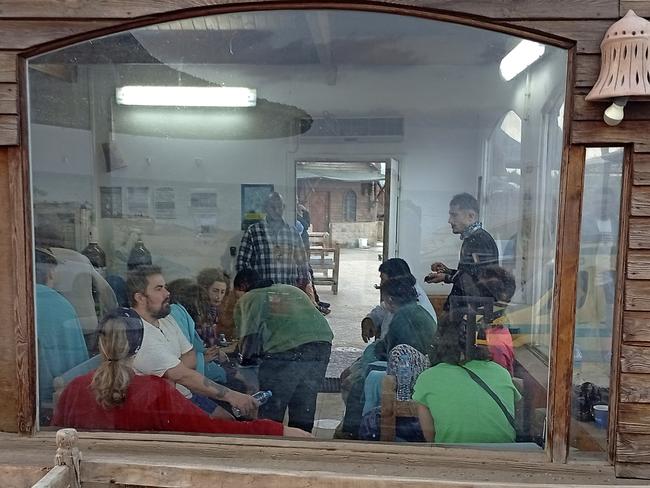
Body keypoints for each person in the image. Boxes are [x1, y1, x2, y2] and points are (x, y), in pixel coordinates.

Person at [52, 308, 311, 438]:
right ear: (140, 346)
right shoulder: (155, 392)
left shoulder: (74, 390)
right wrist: (278, 431)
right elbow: (212, 431)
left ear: (100, 344)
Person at [127, 265, 258, 418]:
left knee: (229, 420)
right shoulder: (138, 334)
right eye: (159, 288)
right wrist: (232, 396)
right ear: (140, 297)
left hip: (188, 392)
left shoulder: (167, 319)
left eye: (166, 287)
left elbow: (191, 358)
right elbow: (184, 375)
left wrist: (172, 370)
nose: (167, 293)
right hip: (169, 406)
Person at [233, 268, 333, 432]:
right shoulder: (290, 289)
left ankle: (269, 447)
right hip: (322, 345)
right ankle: (301, 444)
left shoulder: (249, 298)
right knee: (304, 402)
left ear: (242, 286)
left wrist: (243, 370)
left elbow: (249, 344)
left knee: (272, 405)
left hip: (288, 352)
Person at [413, 314, 521, 443]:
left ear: (438, 342)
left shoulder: (427, 378)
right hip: (505, 456)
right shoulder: (501, 372)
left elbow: (430, 438)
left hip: (453, 458)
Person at [35, 248, 89, 416]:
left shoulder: (11, 299)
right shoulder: (60, 306)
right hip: (51, 402)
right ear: (50, 273)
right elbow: (76, 365)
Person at [425, 193, 498, 312]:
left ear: (471, 215)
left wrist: (447, 277)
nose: (450, 221)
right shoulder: (473, 239)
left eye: (454, 215)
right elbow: (472, 274)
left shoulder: (479, 240)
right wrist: (448, 272)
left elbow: (479, 281)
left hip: (470, 314)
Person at [236, 192, 311, 290]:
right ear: (265, 208)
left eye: (279, 206)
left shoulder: (293, 232)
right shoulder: (253, 231)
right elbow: (242, 263)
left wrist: (301, 287)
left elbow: (302, 263)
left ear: (283, 208)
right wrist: (250, 288)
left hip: (288, 292)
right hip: (261, 293)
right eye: (272, 207)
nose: (276, 210)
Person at [361, 258, 437, 343]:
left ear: (395, 281)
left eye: (383, 280)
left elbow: (390, 348)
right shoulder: (400, 296)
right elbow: (384, 308)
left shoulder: (412, 312)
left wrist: (373, 351)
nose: (381, 285)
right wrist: (371, 319)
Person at [196, 267, 232, 340]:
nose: (218, 296)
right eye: (215, 291)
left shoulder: (215, 310)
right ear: (205, 289)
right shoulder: (198, 309)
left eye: (222, 292)